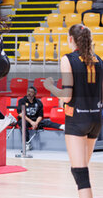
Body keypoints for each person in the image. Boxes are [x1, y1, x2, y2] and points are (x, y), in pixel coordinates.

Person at [44, 24, 103, 198]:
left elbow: (67, 96)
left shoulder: (68, 59)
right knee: (81, 169)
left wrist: (50, 87)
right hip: (95, 119)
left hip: (77, 119)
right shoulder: (99, 60)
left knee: (81, 174)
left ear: (71, 39)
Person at [17, 86, 65, 150]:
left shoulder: (38, 103)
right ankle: (27, 143)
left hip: (35, 120)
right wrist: (31, 122)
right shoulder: (22, 101)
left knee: (46, 122)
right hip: (25, 120)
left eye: (31, 92)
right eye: (28, 91)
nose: (29, 93)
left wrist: (36, 123)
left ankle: (61, 126)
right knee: (23, 124)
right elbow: (20, 113)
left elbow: (40, 115)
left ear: (34, 94)